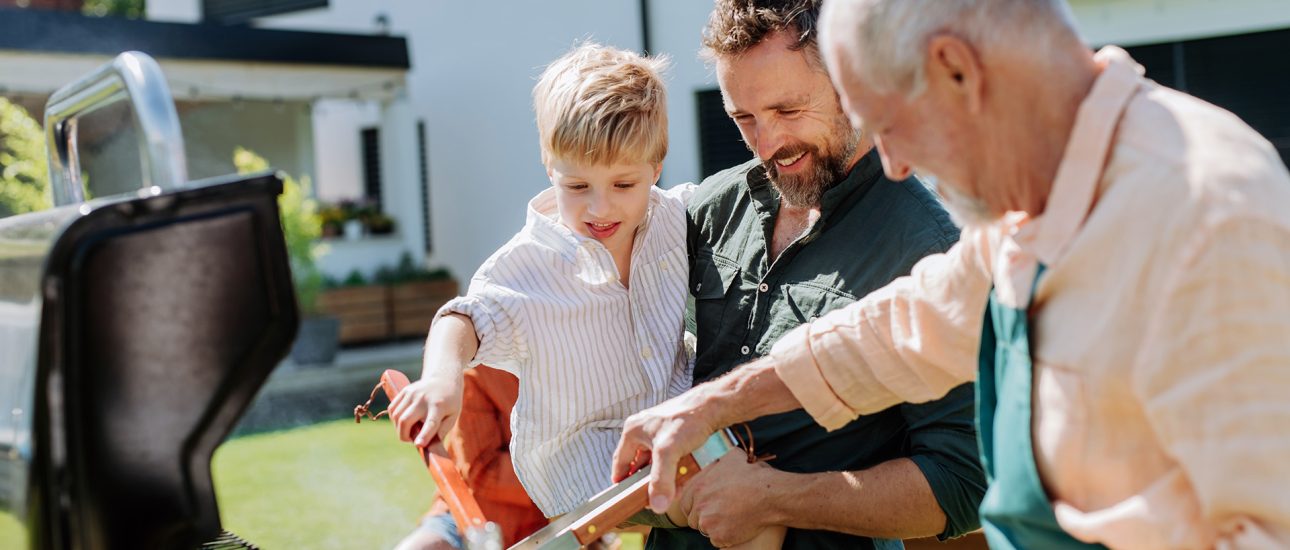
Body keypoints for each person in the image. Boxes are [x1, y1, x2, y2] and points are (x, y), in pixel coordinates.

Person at [614, 0, 1290, 548]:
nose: (899, 165)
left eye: (893, 124)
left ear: (956, 69)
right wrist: (713, 403)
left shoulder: (1204, 216)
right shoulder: (1042, 198)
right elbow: (905, 329)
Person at [626, 2, 987, 548]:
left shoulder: (930, 250)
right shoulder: (713, 204)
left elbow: (964, 483)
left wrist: (776, 497)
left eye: (788, 111)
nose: (767, 144)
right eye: (743, 118)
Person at [386, 41, 697, 523]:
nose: (600, 208)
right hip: (588, 463)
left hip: (676, 425)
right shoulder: (527, 267)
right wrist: (441, 380)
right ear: (549, 166)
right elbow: (462, 318)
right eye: (577, 187)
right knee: (731, 504)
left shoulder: (675, 219)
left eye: (623, 185)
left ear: (656, 167)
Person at [392, 366, 546, 550]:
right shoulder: (478, 368)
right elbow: (483, 471)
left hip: (549, 523)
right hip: (467, 517)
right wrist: (557, 471)